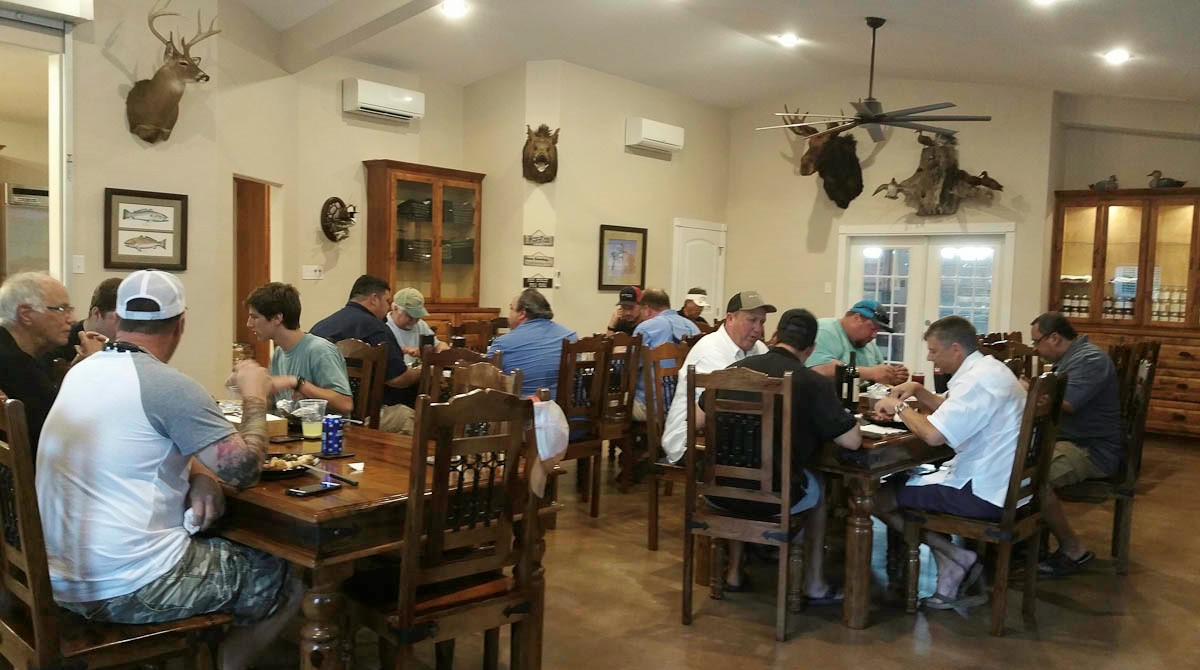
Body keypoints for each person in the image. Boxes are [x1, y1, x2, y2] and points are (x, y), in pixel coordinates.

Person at [35, 270, 301, 670]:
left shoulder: (81, 372)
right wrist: (254, 396)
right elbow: (244, 471)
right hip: (125, 586)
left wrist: (200, 474)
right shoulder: (171, 386)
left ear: (118, 320)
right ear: (180, 325)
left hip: (57, 574)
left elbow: (142, 441)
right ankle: (227, 663)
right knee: (285, 570)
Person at [870, 315, 1026, 610]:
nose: (929, 358)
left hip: (984, 491)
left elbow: (932, 435)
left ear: (955, 348)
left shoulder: (977, 381)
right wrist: (919, 392)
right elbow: (957, 410)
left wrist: (899, 407)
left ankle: (954, 558)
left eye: (933, 351)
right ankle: (952, 559)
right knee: (904, 483)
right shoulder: (989, 369)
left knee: (878, 496)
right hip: (1007, 484)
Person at [710, 309, 861, 600]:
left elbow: (700, 416)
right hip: (774, 498)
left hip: (720, 490)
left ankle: (734, 572)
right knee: (818, 485)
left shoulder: (733, 372)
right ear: (811, 349)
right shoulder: (811, 382)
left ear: (776, 337)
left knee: (742, 460)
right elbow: (852, 441)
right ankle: (815, 584)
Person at [1027, 312, 1121, 577]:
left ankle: (1073, 548)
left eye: (1037, 342)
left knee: (1032, 478)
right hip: (1073, 440)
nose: (1035, 349)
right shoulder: (1074, 358)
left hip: (1092, 449)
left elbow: (1066, 403)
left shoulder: (1089, 359)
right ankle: (1027, 545)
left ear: (1054, 338)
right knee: (1014, 465)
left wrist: (1029, 390)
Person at [660, 290, 774, 463]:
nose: (758, 329)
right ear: (730, 319)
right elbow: (730, 405)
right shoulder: (710, 350)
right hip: (688, 440)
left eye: (762, 322)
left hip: (728, 433)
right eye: (751, 320)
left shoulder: (757, 347)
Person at [0, 272, 106, 453]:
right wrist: (93, 366)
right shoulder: (15, 363)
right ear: (25, 314)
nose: (72, 319)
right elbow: (67, 433)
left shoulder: (20, 352)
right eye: (62, 309)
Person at [311, 275, 418, 433]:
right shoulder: (375, 327)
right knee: (409, 416)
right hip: (361, 417)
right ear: (374, 299)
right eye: (387, 301)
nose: (388, 308)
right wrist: (421, 372)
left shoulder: (322, 326)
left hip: (319, 413)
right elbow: (398, 379)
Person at [244, 282, 353, 415]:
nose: (249, 324)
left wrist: (297, 383)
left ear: (278, 318)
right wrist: (251, 388)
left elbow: (345, 404)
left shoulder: (320, 350)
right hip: (292, 430)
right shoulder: (279, 353)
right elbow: (273, 404)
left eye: (255, 317)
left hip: (325, 432)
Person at [488, 288, 577, 398]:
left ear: (522, 313)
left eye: (511, 309)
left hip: (521, 410)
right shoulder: (570, 336)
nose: (509, 315)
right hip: (564, 411)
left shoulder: (502, 343)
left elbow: (485, 380)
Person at [630, 288, 699, 421]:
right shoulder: (693, 327)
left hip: (651, 406)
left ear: (647, 309)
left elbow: (630, 369)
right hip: (685, 407)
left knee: (608, 406)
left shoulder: (645, 328)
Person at [807, 299, 909, 385]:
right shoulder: (824, 330)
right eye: (872, 328)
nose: (874, 336)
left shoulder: (868, 344)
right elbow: (819, 369)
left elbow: (878, 377)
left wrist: (891, 377)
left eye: (877, 331)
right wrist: (871, 373)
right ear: (856, 318)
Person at [44, 276, 122, 363]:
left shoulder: (127, 345)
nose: (126, 327)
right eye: (119, 319)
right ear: (96, 313)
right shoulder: (61, 342)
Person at [386, 287, 449, 367]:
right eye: (410, 316)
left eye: (417, 316)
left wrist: (441, 351)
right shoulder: (384, 326)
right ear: (395, 308)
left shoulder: (420, 324)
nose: (414, 321)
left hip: (418, 374)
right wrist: (404, 350)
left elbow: (438, 345)